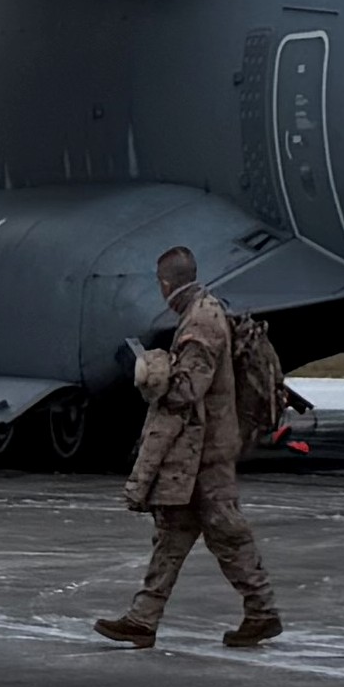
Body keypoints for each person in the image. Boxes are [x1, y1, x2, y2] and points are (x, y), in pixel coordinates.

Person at [99, 245, 283, 648]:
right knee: (172, 533)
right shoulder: (204, 312)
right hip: (198, 451)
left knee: (227, 533)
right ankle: (143, 619)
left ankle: (262, 611)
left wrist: (153, 372)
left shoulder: (200, 323)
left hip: (206, 453)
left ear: (166, 283)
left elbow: (186, 390)